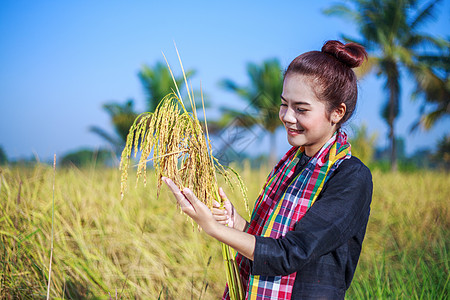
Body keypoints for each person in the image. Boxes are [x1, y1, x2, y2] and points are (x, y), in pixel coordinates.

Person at [163, 40, 373, 300]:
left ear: (337, 113)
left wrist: (214, 229)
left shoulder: (351, 176)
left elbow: (290, 253)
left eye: (301, 109)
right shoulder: (291, 165)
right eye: (284, 104)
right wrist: (234, 222)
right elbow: (267, 242)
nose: (287, 116)